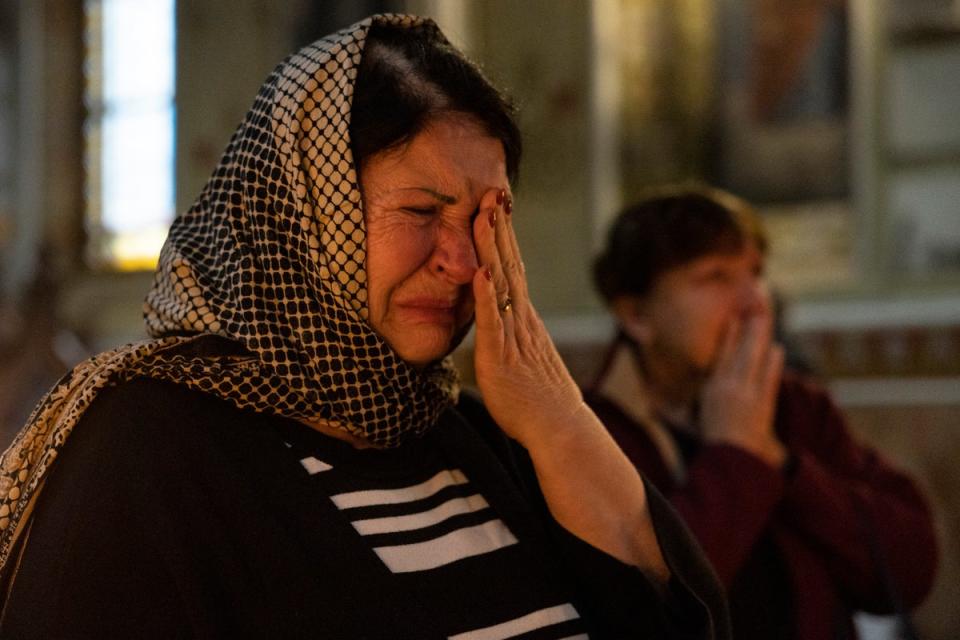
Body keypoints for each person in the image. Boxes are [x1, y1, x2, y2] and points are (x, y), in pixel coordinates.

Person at [0, 16, 728, 639]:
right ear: (300, 219)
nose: (463, 259)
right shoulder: (147, 446)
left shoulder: (470, 434)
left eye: (488, 219)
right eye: (421, 212)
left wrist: (558, 419)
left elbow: (680, 623)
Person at [587, 185, 938, 640]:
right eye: (715, 277)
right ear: (636, 315)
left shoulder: (797, 406)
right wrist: (736, 455)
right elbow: (648, 611)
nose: (754, 301)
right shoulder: (593, 433)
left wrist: (783, 463)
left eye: (755, 273)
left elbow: (910, 569)